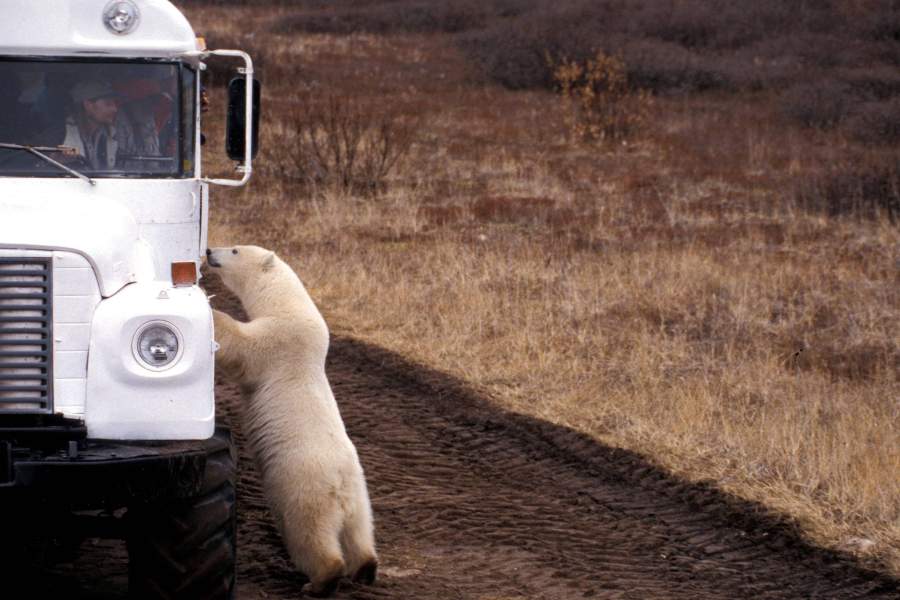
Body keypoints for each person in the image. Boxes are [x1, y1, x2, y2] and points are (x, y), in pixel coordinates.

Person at [61, 81, 126, 169]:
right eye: (108, 104)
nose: (115, 109)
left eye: (115, 104)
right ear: (88, 105)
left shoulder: (114, 134)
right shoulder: (59, 136)